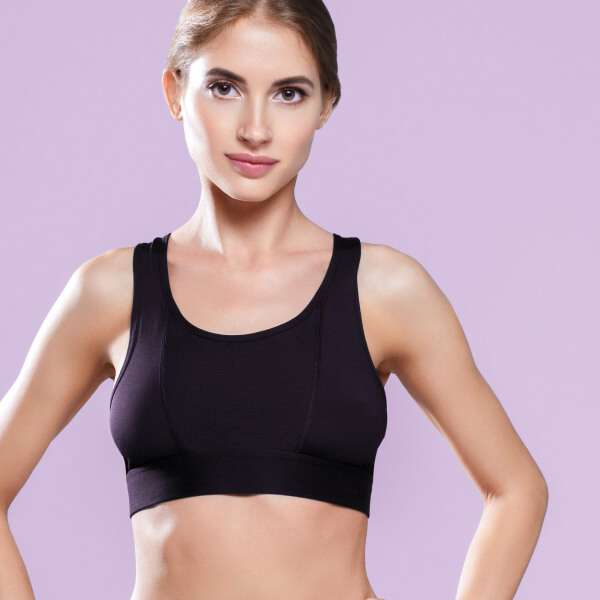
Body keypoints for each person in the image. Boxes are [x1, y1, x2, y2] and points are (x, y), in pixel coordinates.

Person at [0, 1, 548, 599]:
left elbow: (517, 488)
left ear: (326, 104)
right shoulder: (112, 293)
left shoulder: (385, 291)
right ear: (175, 91)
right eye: (225, 88)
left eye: (289, 93)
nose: (255, 129)